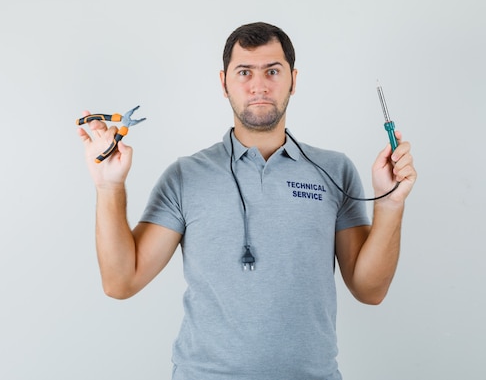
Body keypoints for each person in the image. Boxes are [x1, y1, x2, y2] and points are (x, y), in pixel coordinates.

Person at [77, 22, 417, 380]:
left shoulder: (334, 171)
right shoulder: (185, 176)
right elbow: (120, 282)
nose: (259, 85)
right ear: (224, 83)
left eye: (273, 71)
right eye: (244, 72)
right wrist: (108, 187)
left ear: (293, 80)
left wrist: (391, 204)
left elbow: (370, 290)